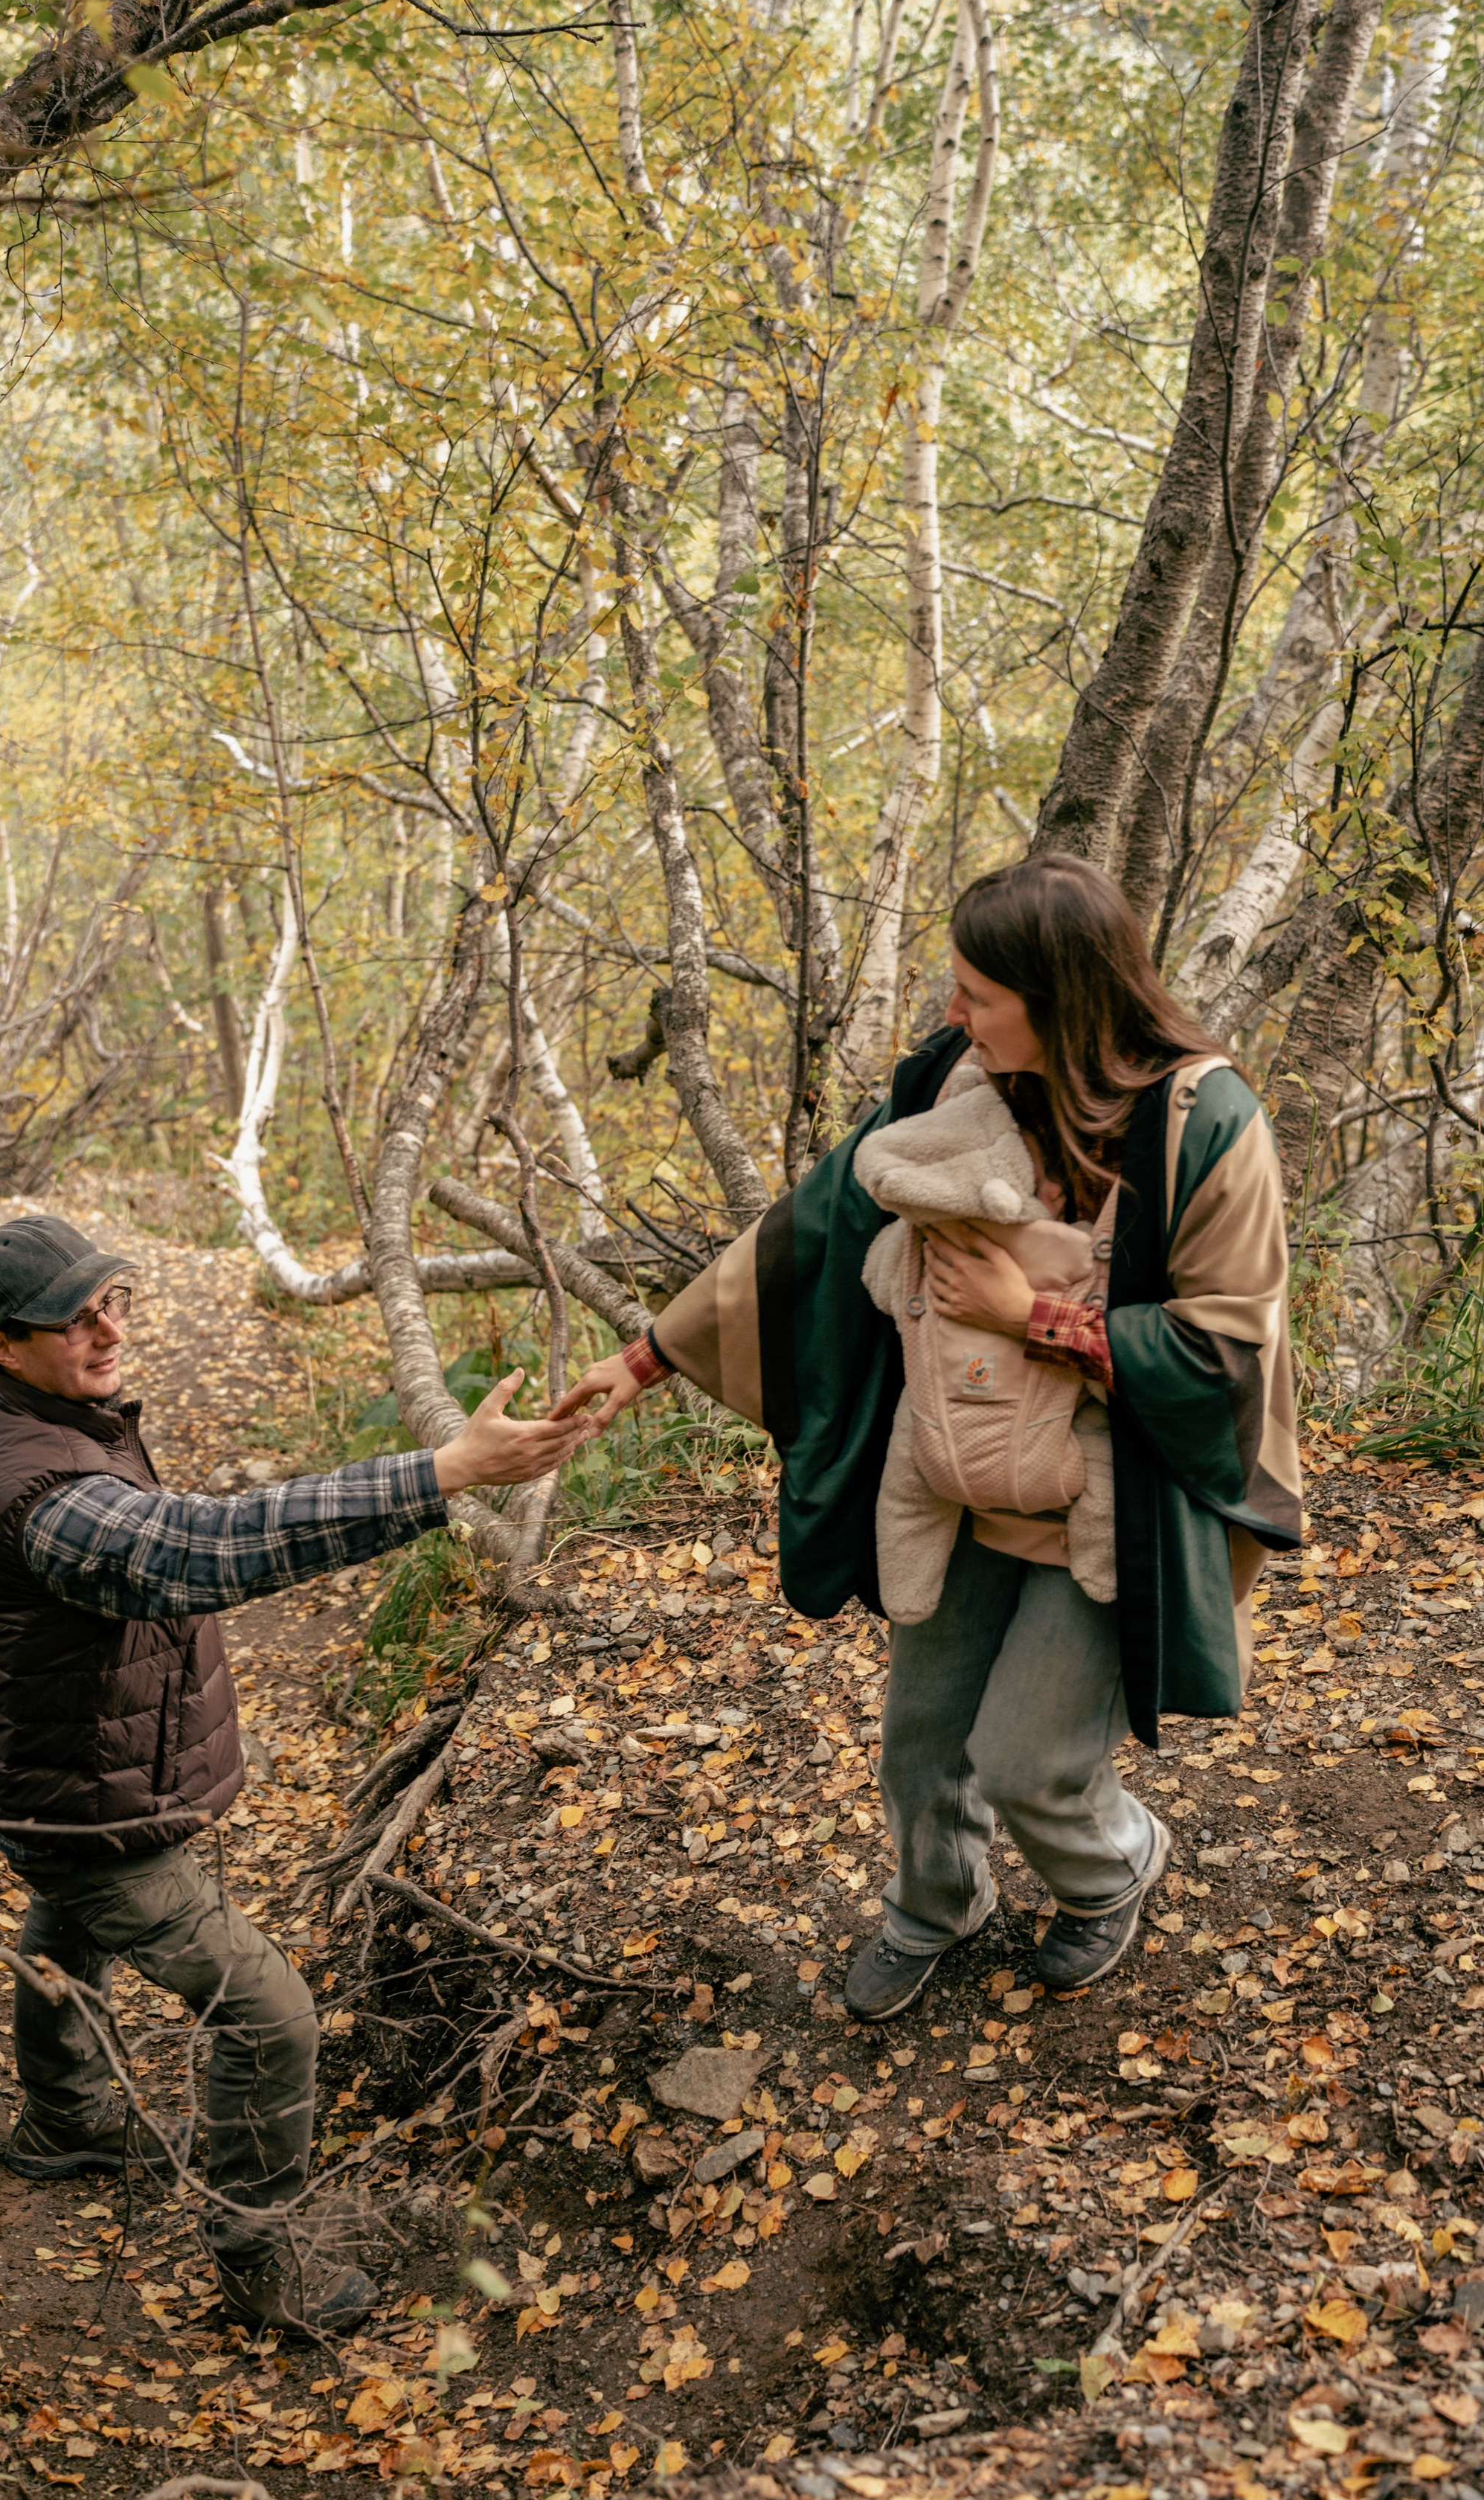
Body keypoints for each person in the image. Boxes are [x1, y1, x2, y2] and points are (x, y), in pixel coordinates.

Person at [553, 853, 1300, 2021]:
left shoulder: (1205, 1127)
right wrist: (643, 1360)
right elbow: (808, 1229)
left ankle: (1112, 1868)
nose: (953, 1011)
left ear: (1062, 1001)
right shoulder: (954, 1080)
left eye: (978, 995)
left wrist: (1031, 1314)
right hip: (957, 1479)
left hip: (1113, 1501)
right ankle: (938, 1901)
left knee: (1028, 1760)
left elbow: (1226, 1351)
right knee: (921, 1739)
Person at [0, 1211, 579, 2333]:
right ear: (2, 1345)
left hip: (58, 1768)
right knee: (269, 2015)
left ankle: (65, 2120)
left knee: (67, 1927)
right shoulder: (41, 1491)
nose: (107, 1329)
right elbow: (201, 1548)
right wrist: (442, 1474)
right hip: (81, 1800)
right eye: (73, 1319)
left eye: (111, 1301)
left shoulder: (19, 1410)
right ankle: (259, 2263)